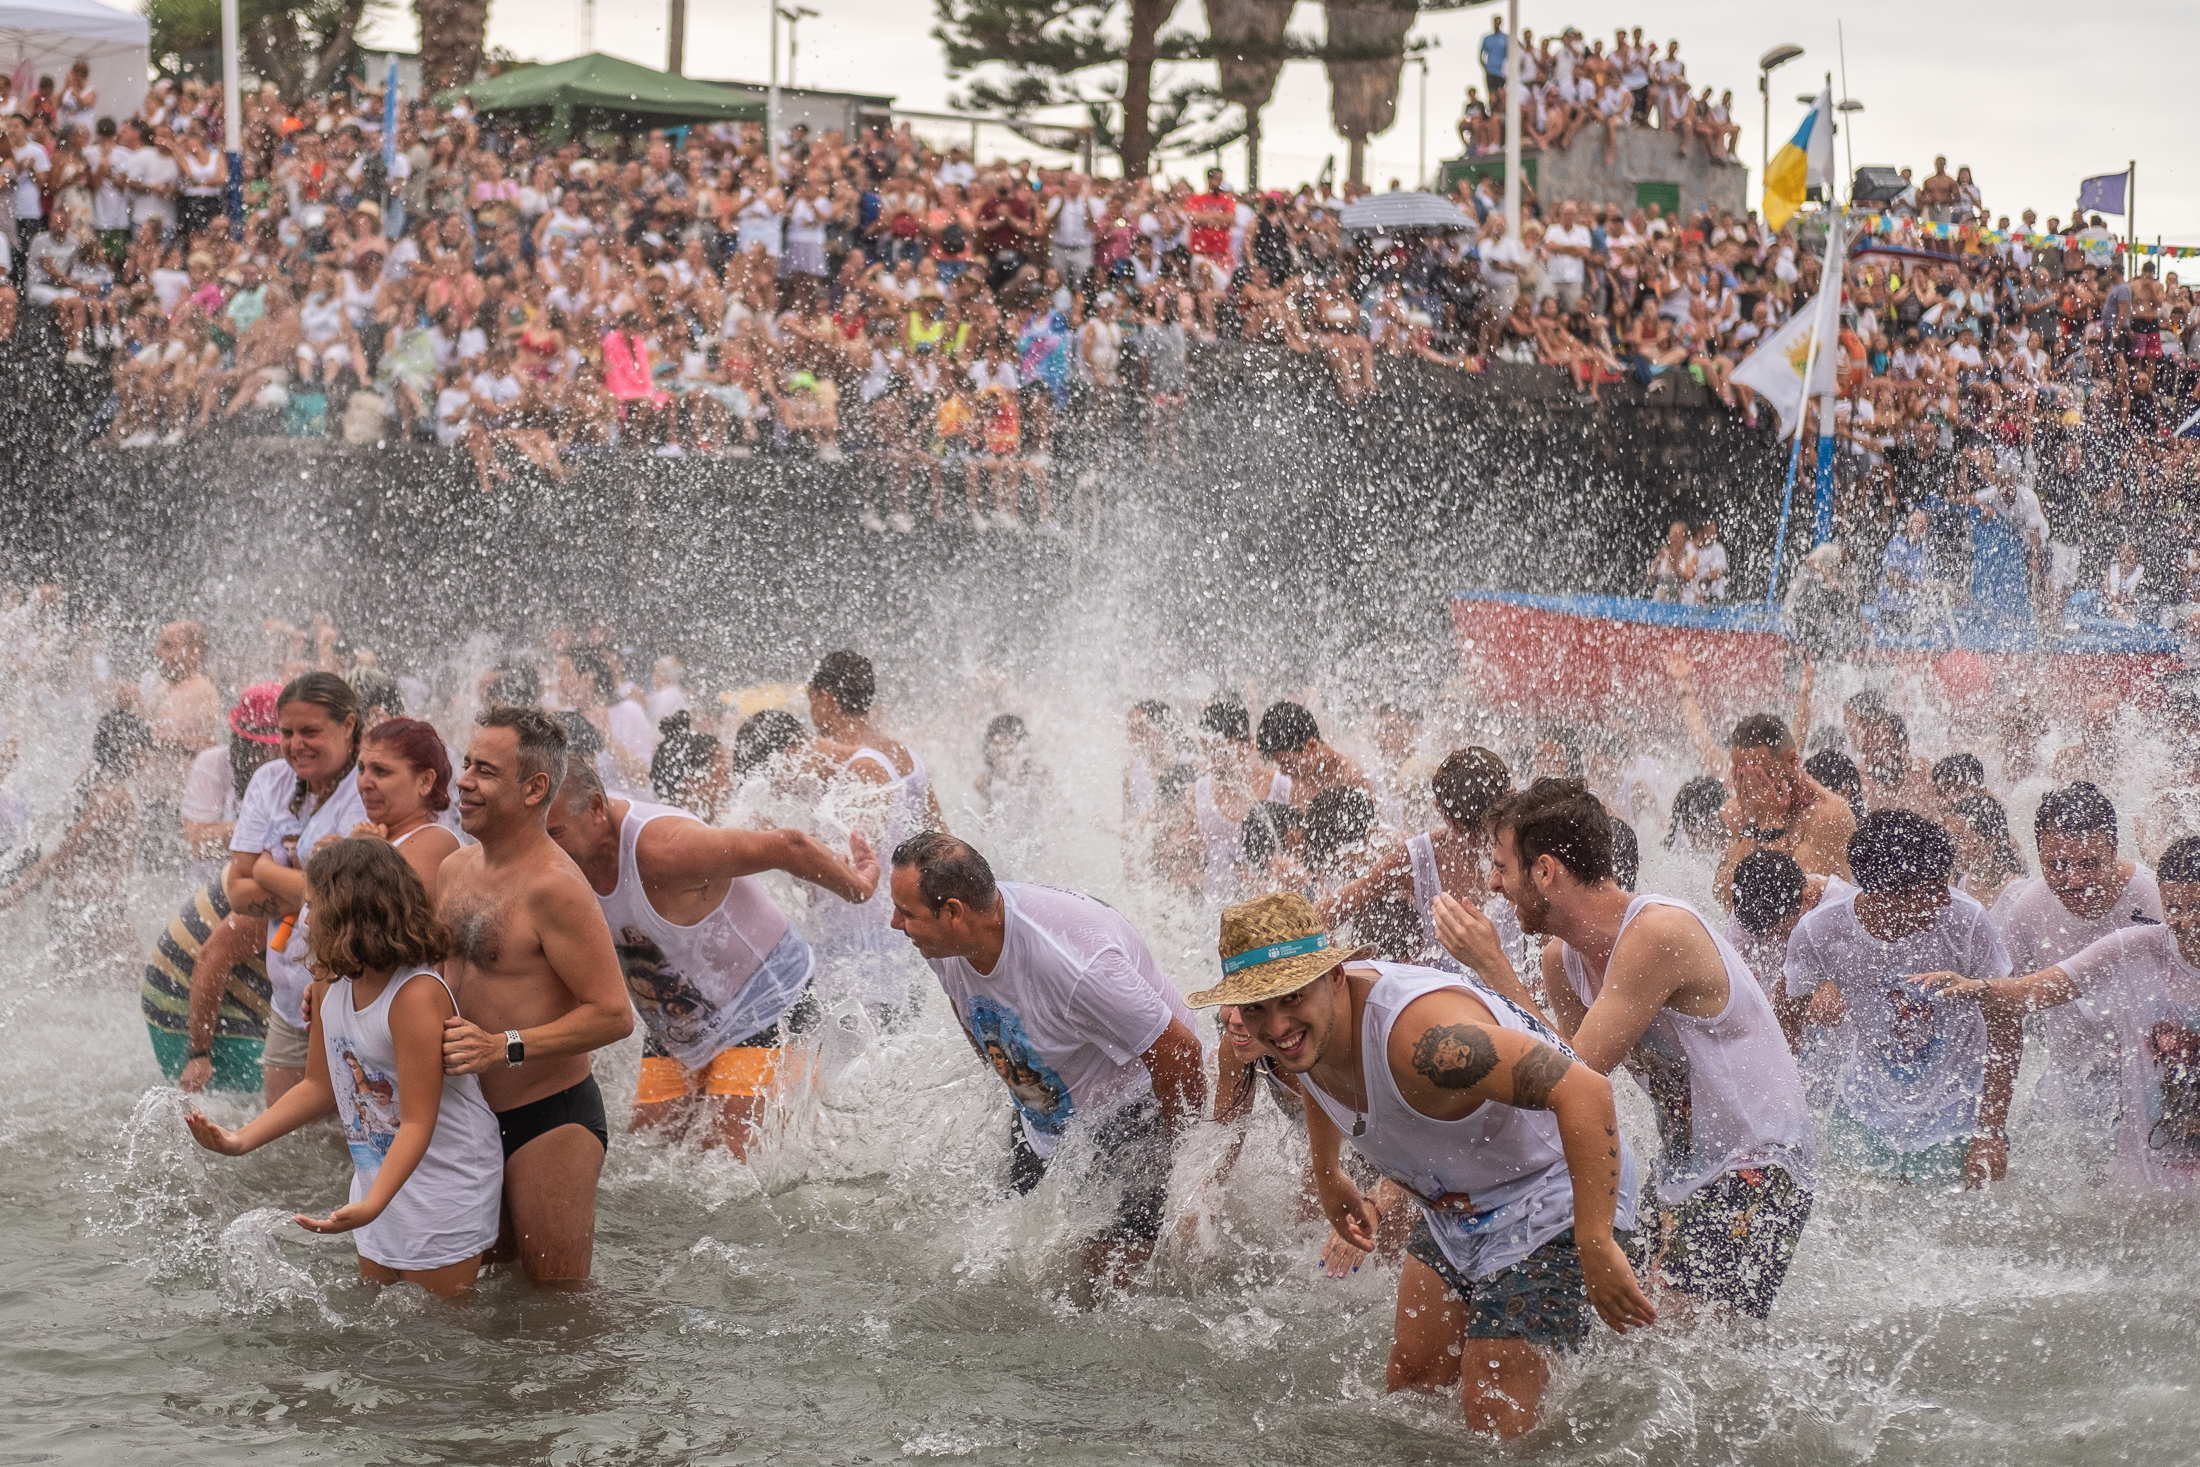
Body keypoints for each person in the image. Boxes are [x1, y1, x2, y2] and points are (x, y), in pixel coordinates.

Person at [1197, 889, 1653, 1439]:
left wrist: (1596, 1240)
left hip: (1555, 1189)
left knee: (1493, 1419)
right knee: (1411, 1385)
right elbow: (1319, 1072)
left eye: (1290, 998)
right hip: (1459, 1198)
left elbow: (1586, 1091)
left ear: (1335, 977)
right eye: (1256, 1007)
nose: (1275, 1027)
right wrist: (1329, 1175)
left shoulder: (1426, 1042)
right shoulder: (1303, 1034)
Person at [1442, 778, 1815, 1319]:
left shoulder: (1658, 933)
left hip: (1761, 1159)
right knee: (1628, 1327)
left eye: (1502, 867)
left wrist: (1495, 970)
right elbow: (1573, 1091)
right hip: (1685, 1171)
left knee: (1675, 1340)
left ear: (1545, 872)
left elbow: (1568, 1069)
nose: (1493, 884)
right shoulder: (1561, 962)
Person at [887, 831, 1205, 1292]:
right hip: (1049, 1116)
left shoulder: (1075, 965)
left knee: (1106, 1298)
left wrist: (1187, 1168)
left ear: (953, 912)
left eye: (906, 913)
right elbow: (976, 1018)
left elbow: (1179, 1051)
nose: (896, 925)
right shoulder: (945, 945)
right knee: (1011, 1273)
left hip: (1137, 1107)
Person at [184, 838, 502, 1299]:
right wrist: (238, 1140)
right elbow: (318, 1085)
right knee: (380, 1332)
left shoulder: (414, 995)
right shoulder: (331, 980)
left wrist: (373, 1204)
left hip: (443, 1185)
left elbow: (417, 1121)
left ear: (351, 911)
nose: (305, 918)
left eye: (314, 905)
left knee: (440, 1342)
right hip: (377, 1182)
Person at [544, 756, 878, 1155]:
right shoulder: (556, 861)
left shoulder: (665, 849)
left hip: (764, 1005)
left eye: (555, 832)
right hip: (678, 1029)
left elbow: (788, 845)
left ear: (597, 808)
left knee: (725, 1164)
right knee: (644, 1156)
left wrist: (857, 887)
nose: (543, 845)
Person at [435, 706, 633, 1286]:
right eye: (466, 763)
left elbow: (614, 1015)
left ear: (534, 788)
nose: (464, 780)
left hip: (548, 1119)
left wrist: (504, 1047)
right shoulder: (453, 868)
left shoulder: (555, 887)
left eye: (486, 771)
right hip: (468, 1113)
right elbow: (444, 974)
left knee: (557, 1306)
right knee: (487, 1284)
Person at [1920, 835, 2200, 1192]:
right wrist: (1977, 987)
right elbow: (2036, 989)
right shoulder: (2136, 946)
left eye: (2198, 908)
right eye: (2175, 908)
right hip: (2141, 1183)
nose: (2187, 922)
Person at [1785, 811, 2016, 1189]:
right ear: (1883, 892)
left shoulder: (1966, 919)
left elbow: (2006, 1020)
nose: (1944, 898)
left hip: (1956, 1116)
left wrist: (1991, 1130)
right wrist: (1782, 1116)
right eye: (1931, 888)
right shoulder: (1820, 931)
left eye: (1945, 883)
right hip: (1863, 1117)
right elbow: (1786, 1020)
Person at [221, 673, 367, 1105]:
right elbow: (235, 892)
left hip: (353, 999)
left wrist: (265, 871)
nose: (295, 744)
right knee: (290, 1150)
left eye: (310, 731)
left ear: (349, 726)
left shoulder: (366, 789)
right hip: (288, 1002)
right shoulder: (269, 780)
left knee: (356, 1144)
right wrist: (309, 888)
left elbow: (348, 900)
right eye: (286, 732)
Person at [1990, 782, 2163, 1134]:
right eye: (2056, 864)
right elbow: (2003, 1014)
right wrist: (1990, 1128)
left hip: (2149, 1080)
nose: (2073, 880)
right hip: (2070, 1081)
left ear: (2113, 848)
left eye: (2088, 864)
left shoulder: (2155, 898)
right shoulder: (2028, 910)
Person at [802, 650, 943, 1019]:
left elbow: (839, 858)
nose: (812, 716)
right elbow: (941, 838)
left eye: (811, 702)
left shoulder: (850, 764)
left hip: (857, 940)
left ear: (826, 699)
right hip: (906, 929)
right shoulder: (907, 757)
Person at [1320, 747, 1526, 984]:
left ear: (1511, 798)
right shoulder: (1417, 859)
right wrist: (1337, 973)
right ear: (1439, 809)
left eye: (1487, 827)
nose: (1477, 841)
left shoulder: (1531, 852)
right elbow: (1323, 914)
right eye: (1463, 829)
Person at [0, 709, 151, 969]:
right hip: (99, 913)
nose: (148, 759)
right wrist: (12, 893)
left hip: (65, 907)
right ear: (134, 751)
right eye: (146, 751)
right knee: (139, 993)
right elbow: (66, 850)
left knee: (74, 996)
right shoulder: (116, 798)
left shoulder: (88, 779)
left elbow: (47, 824)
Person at [350, 717, 461, 890]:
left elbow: (390, 913)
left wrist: (361, 854)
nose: (364, 783)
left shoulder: (435, 842)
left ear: (425, 781)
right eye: (361, 769)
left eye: (381, 771)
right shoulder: (378, 836)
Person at [1256, 701, 1370, 809]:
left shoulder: (1350, 776)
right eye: (1280, 765)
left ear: (1311, 746)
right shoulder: (1300, 783)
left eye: (1288, 763)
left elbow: (1375, 827)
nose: (1284, 772)